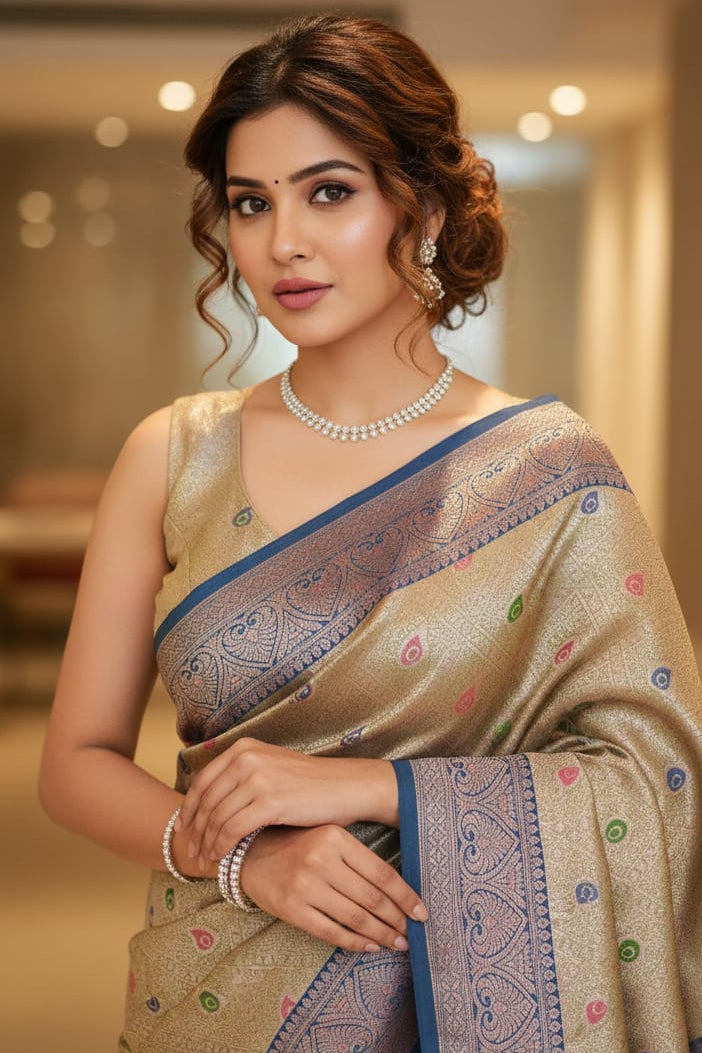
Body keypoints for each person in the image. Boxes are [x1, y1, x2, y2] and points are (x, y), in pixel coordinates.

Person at [39, 13, 702, 1053]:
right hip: (210, 997)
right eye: (251, 203)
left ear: (423, 204)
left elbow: (655, 778)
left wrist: (377, 786)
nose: (282, 243)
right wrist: (246, 861)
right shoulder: (175, 454)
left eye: (329, 192)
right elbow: (74, 764)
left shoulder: (549, 471)